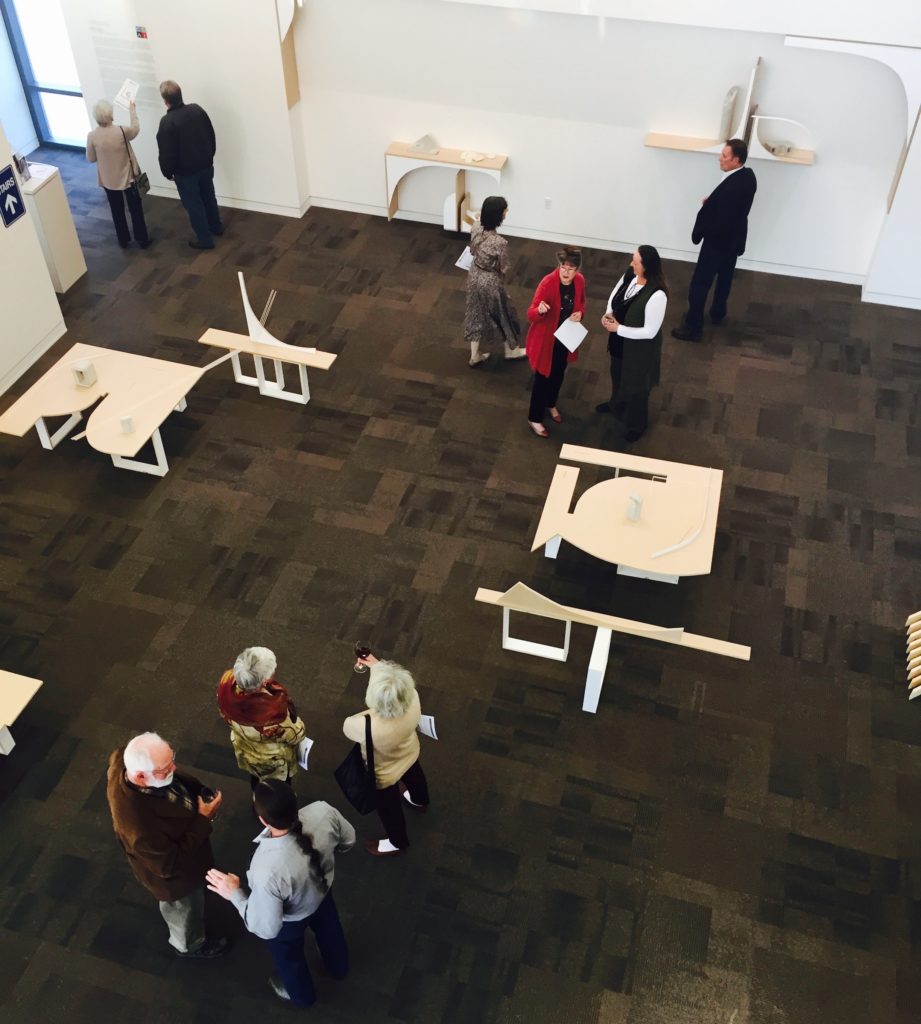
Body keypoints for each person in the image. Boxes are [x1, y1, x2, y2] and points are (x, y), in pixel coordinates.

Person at [206, 779, 355, 1008]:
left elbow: (266, 927)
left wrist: (234, 893)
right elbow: (349, 840)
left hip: (291, 921)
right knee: (330, 929)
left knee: (289, 958)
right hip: (323, 895)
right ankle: (338, 966)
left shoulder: (266, 869)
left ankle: (302, 997)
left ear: (263, 820)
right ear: (294, 798)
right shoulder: (323, 811)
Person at [106, 731, 227, 957]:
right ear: (140, 777)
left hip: (182, 846)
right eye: (165, 769)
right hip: (177, 881)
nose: (174, 768)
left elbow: (116, 756)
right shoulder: (140, 829)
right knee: (185, 911)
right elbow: (169, 865)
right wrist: (203, 820)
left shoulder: (124, 759)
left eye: (172, 759)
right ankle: (190, 945)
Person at [342, 655, 429, 857]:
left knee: (389, 808)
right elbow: (395, 686)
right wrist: (377, 666)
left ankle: (397, 842)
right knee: (415, 775)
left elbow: (347, 727)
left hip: (384, 772)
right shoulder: (413, 698)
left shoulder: (364, 725)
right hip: (409, 751)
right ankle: (419, 801)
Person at [671, 138, 757, 342]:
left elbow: (723, 217)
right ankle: (718, 313)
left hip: (718, 243)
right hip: (734, 240)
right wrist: (712, 204)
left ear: (736, 160)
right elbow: (732, 209)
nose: (720, 159)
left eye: (725, 156)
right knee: (725, 279)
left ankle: (693, 327)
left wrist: (707, 214)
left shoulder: (733, 187)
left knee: (700, 284)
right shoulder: (748, 177)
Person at [597, 245, 669, 443]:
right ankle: (617, 403)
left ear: (646, 267)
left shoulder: (657, 295)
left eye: (635, 262)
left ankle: (637, 425)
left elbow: (650, 332)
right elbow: (616, 292)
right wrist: (609, 312)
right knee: (617, 373)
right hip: (620, 342)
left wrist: (618, 328)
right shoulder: (631, 274)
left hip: (639, 350)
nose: (631, 264)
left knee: (638, 387)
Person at [216, 646, 306, 789]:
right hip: (270, 760)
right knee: (278, 787)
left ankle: (257, 794)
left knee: (255, 776)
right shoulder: (273, 715)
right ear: (264, 681)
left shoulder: (226, 682)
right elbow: (296, 735)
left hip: (245, 747)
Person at [524, 247, 586, 437]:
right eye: (563, 267)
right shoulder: (548, 283)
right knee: (542, 378)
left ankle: (550, 403)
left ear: (577, 270)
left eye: (570, 269)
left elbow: (582, 303)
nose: (566, 272)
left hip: (565, 337)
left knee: (559, 373)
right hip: (546, 341)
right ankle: (535, 418)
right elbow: (530, 314)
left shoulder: (580, 281)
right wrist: (540, 310)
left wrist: (580, 313)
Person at [155, 80, 223, 250]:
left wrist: (167, 172)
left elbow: (166, 152)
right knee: (209, 197)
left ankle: (205, 240)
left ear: (165, 100)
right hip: (205, 165)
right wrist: (210, 155)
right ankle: (216, 227)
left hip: (186, 173)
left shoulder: (167, 122)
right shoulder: (197, 110)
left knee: (194, 205)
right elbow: (210, 134)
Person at [463, 195, 526, 367]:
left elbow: (476, 231)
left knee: (475, 313)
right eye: (504, 211)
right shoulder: (500, 243)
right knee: (505, 313)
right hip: (489, 282)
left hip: (474, 275)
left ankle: (474, 356)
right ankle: (512, 350)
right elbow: (503, 266)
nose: (506, 213)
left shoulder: (476, 227)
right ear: (499, 215)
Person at [85, 99, 151, 250]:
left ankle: (123, 239)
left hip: (108, 180)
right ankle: (142, 239)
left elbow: (91, 158)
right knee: (135, 209)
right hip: (128, 178)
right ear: (111, 115)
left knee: (116, 210)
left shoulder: (92, 136)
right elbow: (135, 129)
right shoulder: (121, 131)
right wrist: (132, 110)